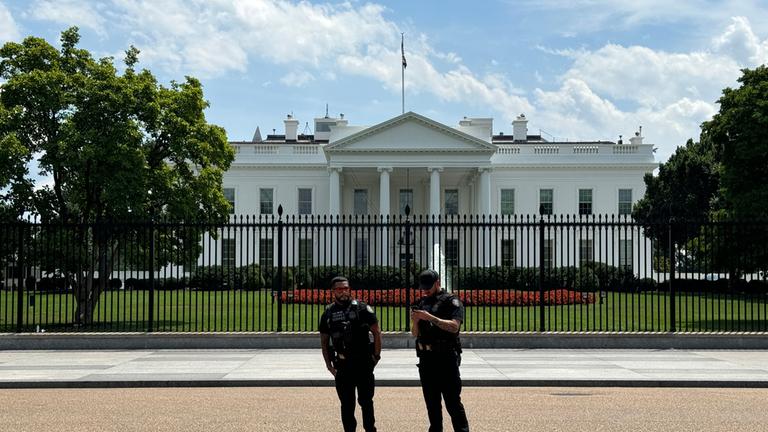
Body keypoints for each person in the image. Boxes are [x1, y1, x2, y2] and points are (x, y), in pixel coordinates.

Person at [320, 276, 382, 432]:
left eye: (346, 288)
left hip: (363, 363)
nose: (343, 292)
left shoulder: (362, 308)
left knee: (366, 401)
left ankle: (370, 429)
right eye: (339, 289)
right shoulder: (328, 313)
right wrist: (329, 365)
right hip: (343, 365)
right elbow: (324, 342)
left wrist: (376, 356)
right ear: (333, 291)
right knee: (347, 404)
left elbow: (377, 332)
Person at [411, 269, 469, 432]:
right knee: (432, 403)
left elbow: (454, 327)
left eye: (429, 286)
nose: (426, 290)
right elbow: (415, 334)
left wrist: (430, 317)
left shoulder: (451, 301)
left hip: (445, 357)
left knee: (452, 402)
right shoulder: (422, 302)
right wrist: (415, 321)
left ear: (438, 283)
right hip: (426, 358)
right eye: (423, 287)